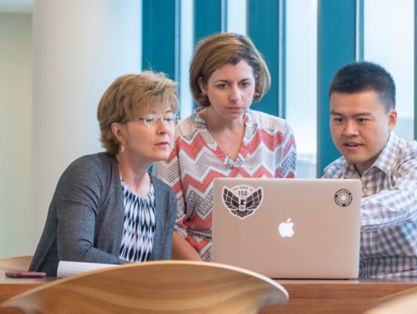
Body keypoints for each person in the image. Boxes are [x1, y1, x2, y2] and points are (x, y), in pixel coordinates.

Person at [153, 32, 297, 261]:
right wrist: (209, 279)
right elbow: (169, 227)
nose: (236, 96)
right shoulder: (177, 138)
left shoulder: (278, 133)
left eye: (244, 84)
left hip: (267, 265)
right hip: (199, 271)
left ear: (256, 83)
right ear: (203, 86)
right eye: (223, 85)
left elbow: (288, 213)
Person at [324, 61, 417, 278]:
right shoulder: (334, 175)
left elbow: (402, 204)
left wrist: (328, 216)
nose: (349, 130)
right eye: (338, 119)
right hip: (364, 301)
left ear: (391, 119)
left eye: (362, 120)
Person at [30, 72, 179, 276]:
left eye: (169, 118)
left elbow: (160, 276)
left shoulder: (165, 197)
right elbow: (75, 255)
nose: (165, 129)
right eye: (150, 119)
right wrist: (144, 274)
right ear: (119, 132)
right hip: (66, 301)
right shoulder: (88, 173)